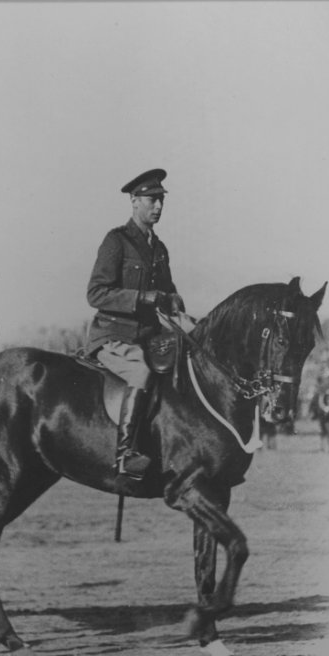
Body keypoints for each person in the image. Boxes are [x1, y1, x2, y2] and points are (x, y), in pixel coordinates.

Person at [84, 168, 184, 480]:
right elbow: (96, 293)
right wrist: (142, 298)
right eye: (152, 200)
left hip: (148, 338)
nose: (158, 206)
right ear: (134, 201)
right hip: (113, 336)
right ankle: (125, 454)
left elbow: (167, 295)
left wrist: (178, 306)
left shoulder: (160, 249)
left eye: (161, 201)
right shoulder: (117, 241)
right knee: (141, 370)